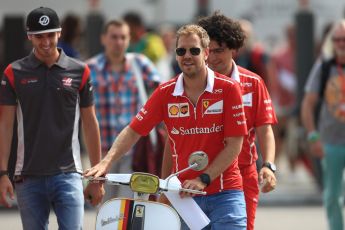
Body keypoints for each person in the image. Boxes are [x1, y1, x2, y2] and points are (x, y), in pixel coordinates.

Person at [85, 24, 248, 229]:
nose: (187, 55)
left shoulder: (229, 88)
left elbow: (234, 145)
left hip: (226, 194)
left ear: (206, 53)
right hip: (183, 197)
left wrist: (203, 178)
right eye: (181, 51)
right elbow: (133, 131)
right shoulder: (165, 92)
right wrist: (105, 163)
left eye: (194, 50)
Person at [0, 7, 104, 229]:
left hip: (69, 175)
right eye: (39, 36)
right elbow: (5, 125)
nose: (45, 41)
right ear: (29, 36)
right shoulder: (13, 72)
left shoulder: (80, 71)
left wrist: (96, 177)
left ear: (59, 33)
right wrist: (2, 174)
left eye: (50, 34)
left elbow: (90, 123)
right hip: (27, 177)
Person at [196, 12, 277, 230]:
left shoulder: (253, 82)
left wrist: (268, 165)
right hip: (199, 174)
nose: (212, 58)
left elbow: (265, 129)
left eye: (219, 50)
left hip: (242, 174)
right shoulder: (191, 84)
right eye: (208, 51)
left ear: (234, 48)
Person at [86, 19, 161, 201]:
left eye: (123, 37)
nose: (118, 42)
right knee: (107, 208)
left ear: (129, 40)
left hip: (134, 149)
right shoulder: (90, 68)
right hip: (103, 150)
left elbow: (164, 92)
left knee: (129, 206)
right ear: (103, 39)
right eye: (114, 37)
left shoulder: (140, 63)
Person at [301, 19, 345, 230]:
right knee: (332, 196)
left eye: (344, 40)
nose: (340, 43)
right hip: (331, 142)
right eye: (336, 39)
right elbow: (307, 105)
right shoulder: (325, 67)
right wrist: (313, 136)